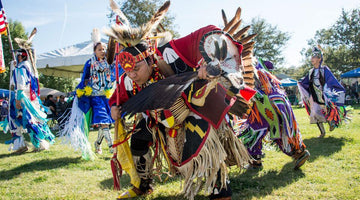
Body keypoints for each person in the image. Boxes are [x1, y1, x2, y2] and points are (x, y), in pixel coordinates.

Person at [106, 2, 255, 199]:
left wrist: (208, 64)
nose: (132, 75)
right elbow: (117, 98)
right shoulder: (127, 81)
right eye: (127, 71)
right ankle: (143, 184)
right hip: (158, 118)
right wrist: (114, 107)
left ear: (150, 59)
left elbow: (208, 32)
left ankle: (220, 191)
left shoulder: (171, 52)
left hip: (193, 108)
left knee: (203, 143)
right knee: (139, 140)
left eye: (136, 69)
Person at [238, 59, 310, 170]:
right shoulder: (264, 72)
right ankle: (299, 152)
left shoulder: (250, 67)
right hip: (278, 101)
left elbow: (248, 89)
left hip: (265, 104)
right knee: (279, 131)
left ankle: (255, 162)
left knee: (254, 132)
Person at [60, 28, 117, 159]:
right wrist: (80, 93)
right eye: (100, 49)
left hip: (106, 97)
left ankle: (97, 143)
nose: (103, 51)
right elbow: (84, 79)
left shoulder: (109, 63)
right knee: (104, 122)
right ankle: (111, 148)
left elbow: (114, 75)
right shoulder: (90, 63)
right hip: (95, 97)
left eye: (104, 49)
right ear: (94, 51)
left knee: (106, 122)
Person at [3, 28, 55, 153]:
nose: (16, 56)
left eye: (18, 54)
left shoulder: (22, 68)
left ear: (22, 56)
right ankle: (21, 144)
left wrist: (18, 99)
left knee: (29, 119)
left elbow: (21, 84)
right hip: (25, 97)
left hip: (23, 97)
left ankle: (38, 143)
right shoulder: (24, 66)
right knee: (15, 119)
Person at [298, 46, 347, 138]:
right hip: (315, 97)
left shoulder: (324, 70)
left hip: (325, 97)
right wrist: (299, 83)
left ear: (319, 59)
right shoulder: (310, 72)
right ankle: (322, 132)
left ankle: (331, 123)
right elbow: (305, 82)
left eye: (314, 57)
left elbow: (331, 81)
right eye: (311, 57)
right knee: (315, 113)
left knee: (328, 111)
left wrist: (330, 92)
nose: (312, 59)